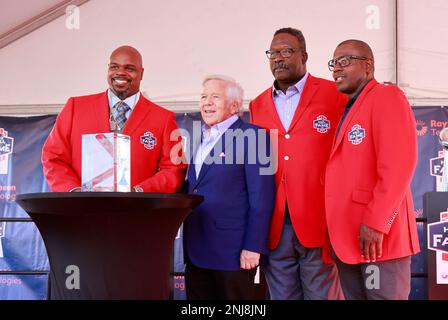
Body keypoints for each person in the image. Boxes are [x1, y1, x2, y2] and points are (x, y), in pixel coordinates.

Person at [249, 27, 346, 300]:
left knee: (323, 295)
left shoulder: (333, 94)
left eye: (286, 51)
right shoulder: (257, 104)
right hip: (276, 223)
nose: (278, 58)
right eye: (273, 53)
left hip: (320, 218)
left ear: (304, 56)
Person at [325, 39, 420, 299]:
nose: (336, 69)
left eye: (345, 61)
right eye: (334, 63)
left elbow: (399, 165)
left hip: (378, 240)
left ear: (368, 66)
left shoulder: (387, 96)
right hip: (349, 238)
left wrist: (377, 223)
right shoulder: (349, 107)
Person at [42, 46, 186, 192]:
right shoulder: (75, 107)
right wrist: (74, 192)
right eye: (114, 66)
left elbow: (174, 170)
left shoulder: (163, 118)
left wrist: (140, 192)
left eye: (129, 68)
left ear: (141, 73)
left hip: (138, 212)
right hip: (82, 211)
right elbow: (53, 157)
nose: (120, 72)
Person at [183, 75, 275, 300]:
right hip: (196, 250)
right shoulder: (202, 137)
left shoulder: (254, 136)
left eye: (215, 97)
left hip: (234, 254)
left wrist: (254, 246)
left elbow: (262, 196)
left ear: (234, 106)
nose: (207, 102)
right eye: (203, 96)